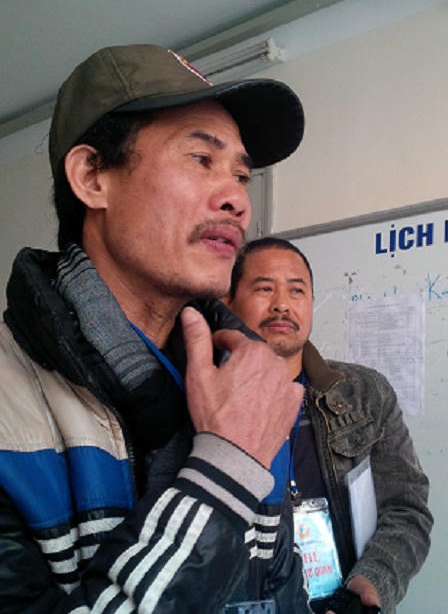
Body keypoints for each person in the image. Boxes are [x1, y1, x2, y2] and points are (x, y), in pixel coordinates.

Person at [0, 45, 312, 612]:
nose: (237, 199)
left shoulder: (246, 380)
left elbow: (278, 586)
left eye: (242, 175)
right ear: (92, 177)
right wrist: (226, 472)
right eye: (201, 158)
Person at [225, 237, 433, 614]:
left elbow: (406, 508)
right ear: (229, 302)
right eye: (265, 288)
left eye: (297, 290)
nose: (282, 304)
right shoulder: (203, 400)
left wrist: (370, 584)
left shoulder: (364, 394)